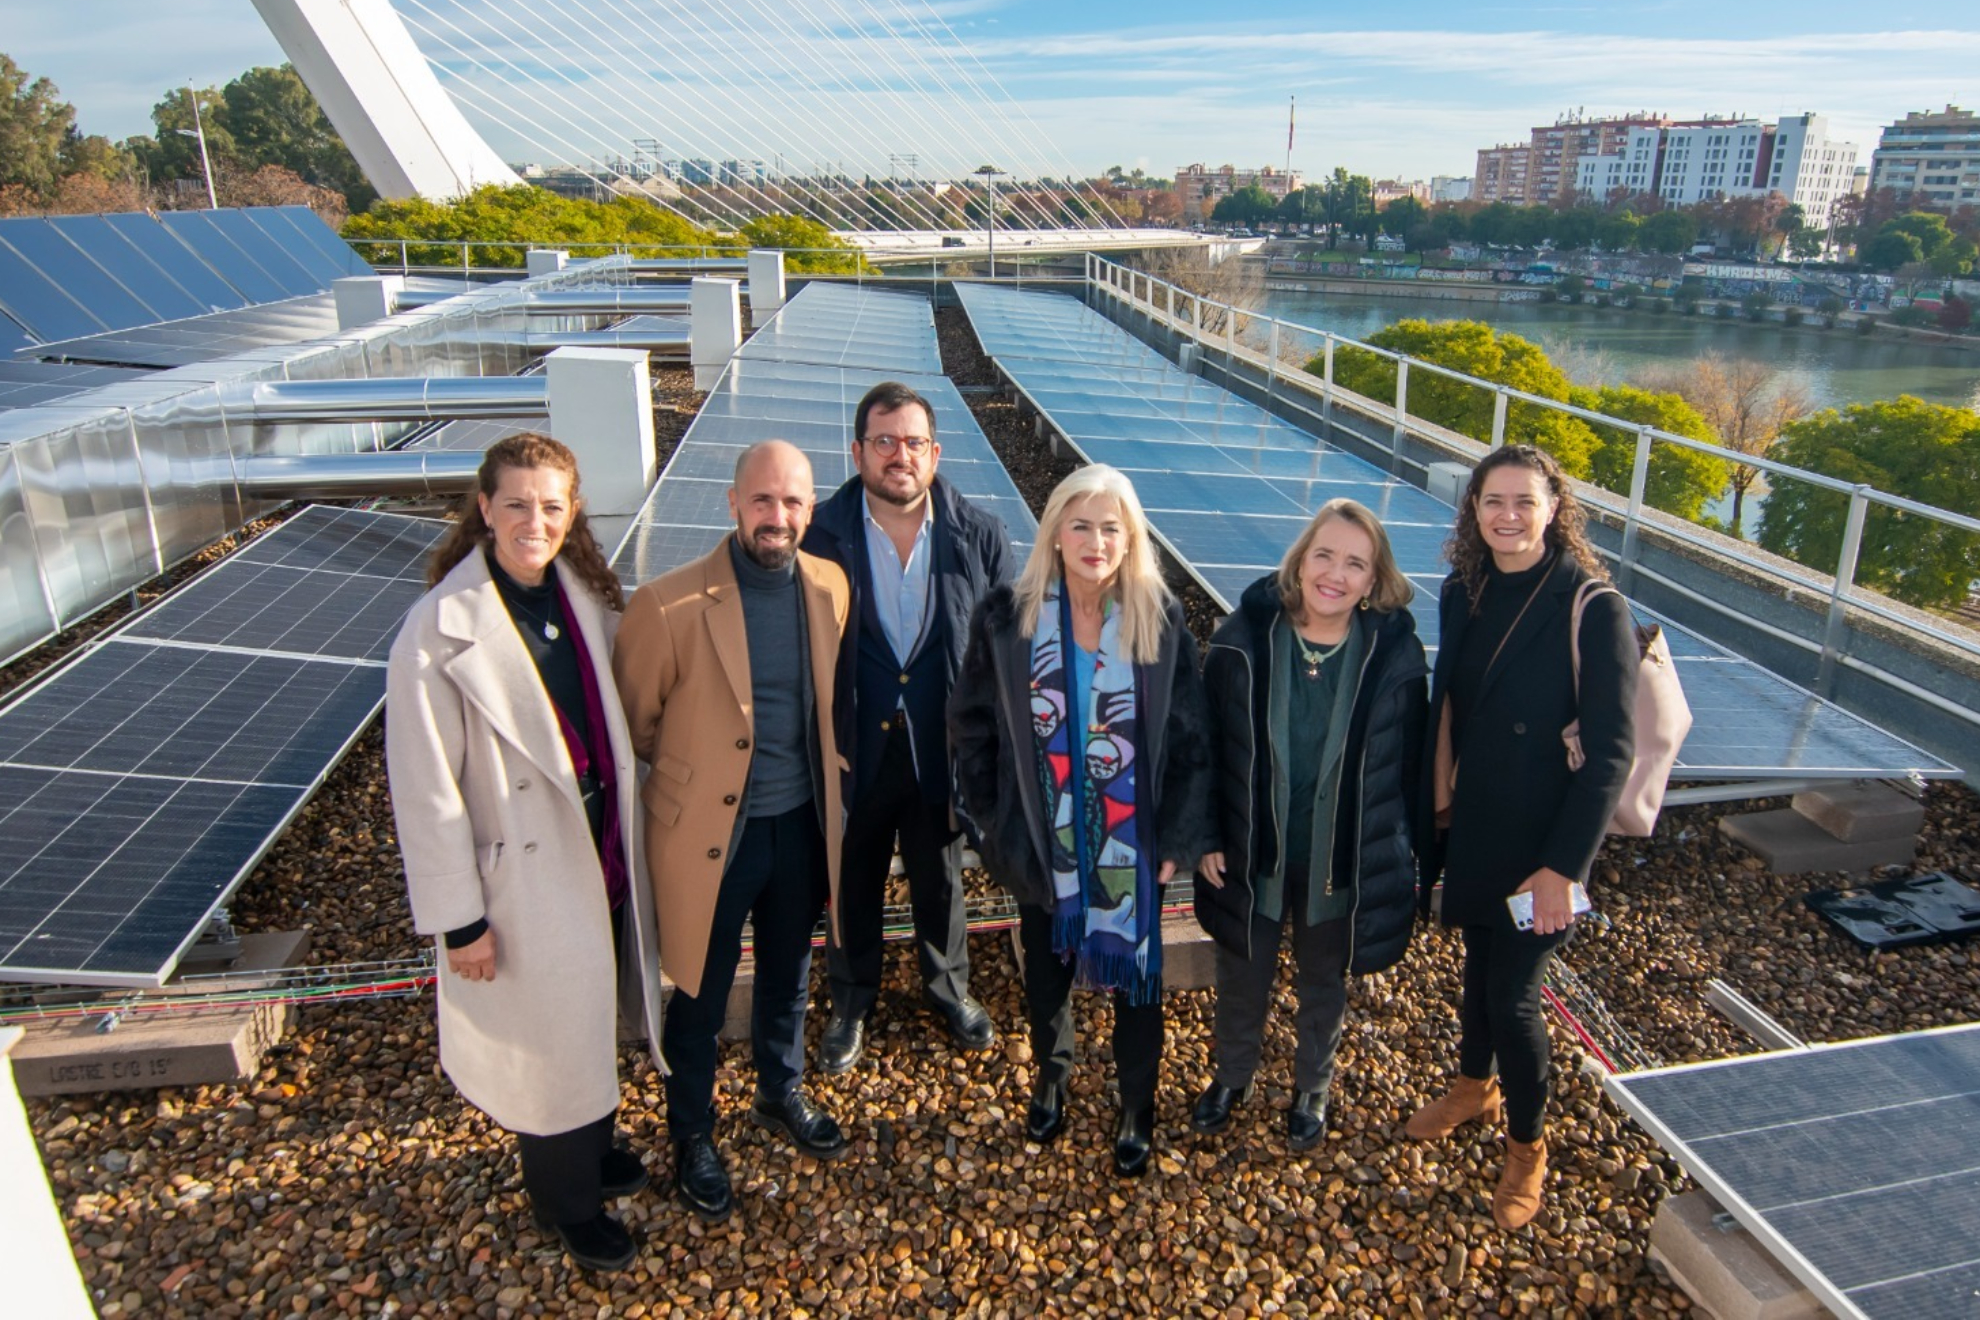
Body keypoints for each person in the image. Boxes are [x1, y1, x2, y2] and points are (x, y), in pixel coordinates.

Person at [386, 432, 662, 1273]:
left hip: (601, 845)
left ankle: (598, 1146)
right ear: (484, 510)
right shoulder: (438, 629)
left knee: (593, 1010)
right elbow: (425, 790)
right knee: (551, 1042)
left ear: (571, 511)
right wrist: (459, 920)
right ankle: (566, 1203)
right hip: (524, 873)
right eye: (516, 504)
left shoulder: (581, 592)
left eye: (550, 505)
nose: (533, 521)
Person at [948, 464, 1213, 1178]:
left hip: (1134, 846)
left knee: (1136, 983)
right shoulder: (1007, 616)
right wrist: (992, 823)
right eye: (1081, 524)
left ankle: (1136, 1104)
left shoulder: (1162, 620)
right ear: (1055, 532)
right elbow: (971, 727)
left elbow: (1191, 741)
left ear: (1131, 539)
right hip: (1042, 842)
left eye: (1111, 526)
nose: (1096, 540)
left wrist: (1179, 840)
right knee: (1045, 976)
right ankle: (1053, 1073)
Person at [613, 439, 852, 1224]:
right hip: (710, 845)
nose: (776, 517)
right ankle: (692, 1133)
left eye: (791, 503)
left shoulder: (828, 587)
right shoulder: (668, 606)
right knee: (701, 994)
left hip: (799, 829)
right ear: (732, 504)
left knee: (788, 975)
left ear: (810, 511)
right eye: (762, 500)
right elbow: (638, 726)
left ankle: (779, 1090)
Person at [1408, 444, 1638, 1230]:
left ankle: (1527, 1147)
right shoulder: (1461, 592)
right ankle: (1473, 1086)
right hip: (1474, 822)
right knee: (1477, 965)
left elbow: (1610, 752)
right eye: (1492, 501)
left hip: (1543, 841)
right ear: (1473, 510)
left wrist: (1560, 869)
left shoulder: (1591, 605)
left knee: (1514, 998)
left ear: (1553, 508)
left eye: (1524, 502)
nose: (1507, 516)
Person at [1190, 499, 1428, 1151]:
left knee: (1324, 979)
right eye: (1324, 554)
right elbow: (1209, 746)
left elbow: (1407, 772)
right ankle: (1232, 1076)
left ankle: (1310, 1088)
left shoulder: (1396, 659)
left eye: (1356, 563)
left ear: (1374, 580)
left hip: (1341, 856)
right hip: (1251, 848)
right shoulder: (1243, 640)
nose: (1336, 574)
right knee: (1242, 971)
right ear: (1300, 562)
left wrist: (1404, 857)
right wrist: (1208, 832)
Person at [801, 381, 1013, 1074]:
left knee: (941, 877)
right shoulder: (817, 534)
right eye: (884, 441)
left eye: (913, 442)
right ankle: (851, 1001)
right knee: (852, 877)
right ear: (857, 451)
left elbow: (1003, 652)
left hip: (938, 747)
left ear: (934, 452)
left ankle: (949, 989)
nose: (900, 456)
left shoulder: (979, 534)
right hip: (853, 744)